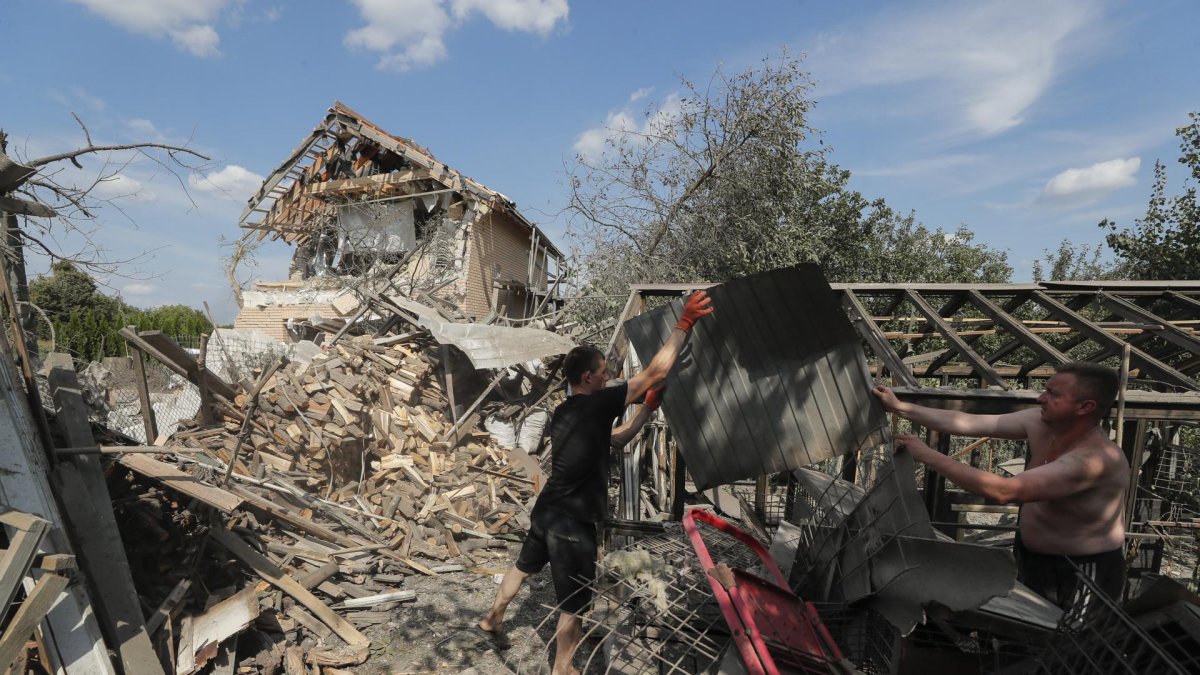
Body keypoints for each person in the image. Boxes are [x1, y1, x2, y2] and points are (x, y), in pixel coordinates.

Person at [479, 290, 714, 674]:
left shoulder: (568, 412)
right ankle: (563, 668)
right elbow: (654, 372)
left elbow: (615, 440)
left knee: (522, 567)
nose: (609, 376)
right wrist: (683, 324)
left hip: (548, 511)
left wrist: (646, 411)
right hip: (572, 523)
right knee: (575, 602)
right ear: (588, 377)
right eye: (604, 371)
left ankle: (493, 618)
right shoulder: (597, 402)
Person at [872, 362, 1129, 610]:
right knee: (1028, 638)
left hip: (1082, 570)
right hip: (1031, 558)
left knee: (1075, 645)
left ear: (1085, 406)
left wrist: (929, 455)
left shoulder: (1094, 460)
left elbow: (1004, 491)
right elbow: (964, 422)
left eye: (1053, 394)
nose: (1041, 398)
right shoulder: (1040, 423)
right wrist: (899, 407)